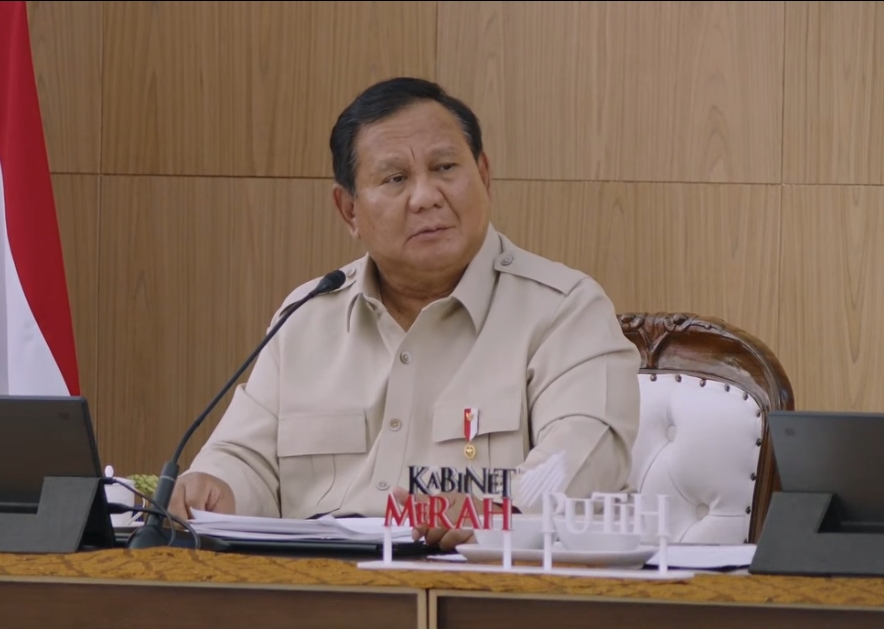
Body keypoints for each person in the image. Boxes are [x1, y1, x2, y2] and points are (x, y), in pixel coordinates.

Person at [171, 76, 642, 550]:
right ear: (349, 210)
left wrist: (502, 512)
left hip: (473, 576)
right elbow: (243, 458)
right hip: (317, 579)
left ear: (484, 176)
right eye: (395, 179)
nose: (425, 197)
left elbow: (585, 453)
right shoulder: (307, 316)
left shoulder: (564, 309)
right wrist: (214, 486)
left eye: (445, 167)